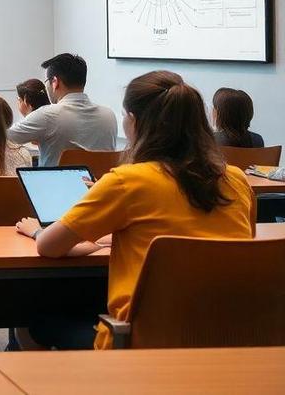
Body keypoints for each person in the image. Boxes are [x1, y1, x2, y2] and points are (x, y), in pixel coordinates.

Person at [16, 71, 254, 350]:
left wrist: (37, 231)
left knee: (32, 315)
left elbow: (49, 246)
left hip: (139, 343)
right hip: (227, 338)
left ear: (135, 122)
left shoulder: (126, 182)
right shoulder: (237, 180)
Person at [7, 53, 117, 166]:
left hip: (54, 183)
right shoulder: (109, 116)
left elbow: (1, 138)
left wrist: (28, 117)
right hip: (100, 183)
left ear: (55, 82)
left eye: (46, 82)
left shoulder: (47, 116)